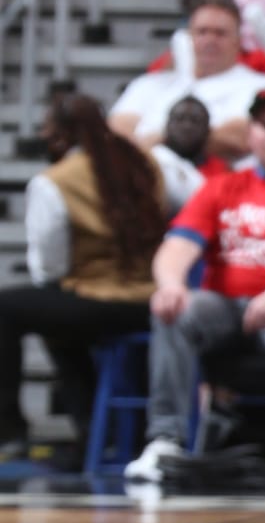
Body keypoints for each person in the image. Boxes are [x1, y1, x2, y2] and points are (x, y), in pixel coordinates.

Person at [127, 85, 265, 491]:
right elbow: (177, 246)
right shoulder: (222, 187)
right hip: (226, 309)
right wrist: (170, 284)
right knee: (175, 308)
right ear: (250, 135)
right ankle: (165, 440)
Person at [0, 91, 165, 461]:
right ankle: (95, 430)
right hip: (152, 298)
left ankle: (8, 429)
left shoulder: (54, 182)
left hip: (100, 296)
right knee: (56, 324)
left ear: (59, 135)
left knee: (8, 308)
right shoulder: (146, 163)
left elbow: (50, 268)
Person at [109, 0, 265, 157]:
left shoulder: (259, 86)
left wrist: (163, 141)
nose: (210, 41)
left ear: (238, 40)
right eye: (202, 32)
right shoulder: (148, 84)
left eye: (220, 33)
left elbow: (239, 136)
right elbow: (117, 128)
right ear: (188, 37)